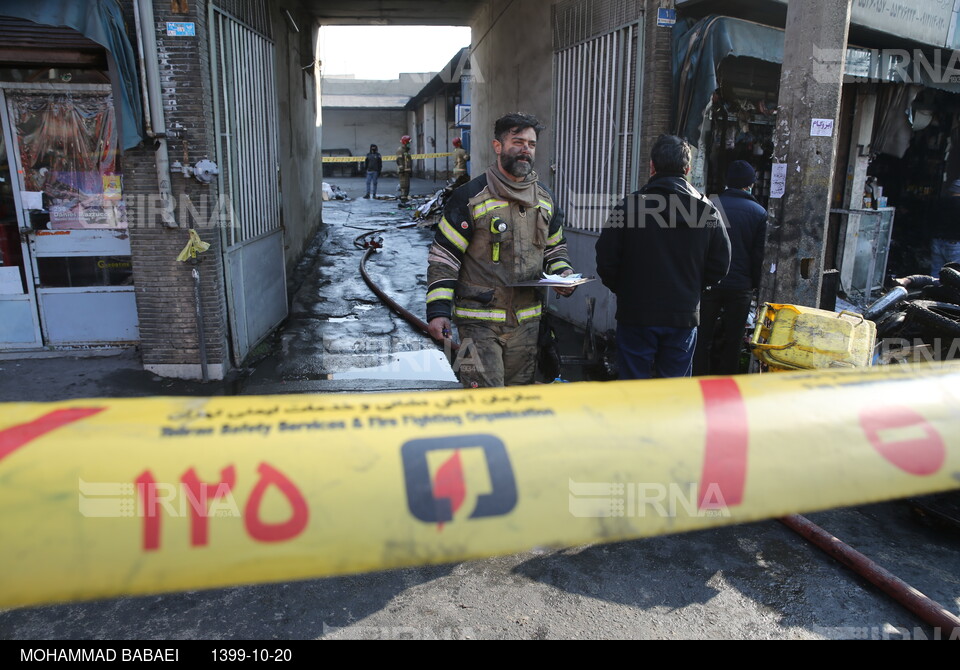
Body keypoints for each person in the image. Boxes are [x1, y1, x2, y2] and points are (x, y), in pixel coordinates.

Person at [426, 112, 575, 388]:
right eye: (517, 142)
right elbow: (444, 259)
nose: (525, 150)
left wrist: (563, 274)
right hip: (477, 324)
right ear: (498, 147)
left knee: (518, 404)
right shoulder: (469, 197)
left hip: (527, 324)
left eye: (531, 144)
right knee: (483, 401)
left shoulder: (545, 199)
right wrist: (438, 311)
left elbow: (555, 248)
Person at [595, 134, 731, 380]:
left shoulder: (628, 207)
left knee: (634, 391)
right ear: (687, 169)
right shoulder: (707, 210)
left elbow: (606, 260)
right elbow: (721, 264)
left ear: (652, 166)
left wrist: (625, 290)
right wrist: (692, 289)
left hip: (636, 313)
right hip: (683, 314)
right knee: (674, 392)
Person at [693, 160, 767, 376]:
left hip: (709, 284)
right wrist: (754, 284)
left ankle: (698, 381)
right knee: (733, 340)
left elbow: (699, 247)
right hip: (740, 287)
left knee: (702, 336)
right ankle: (728, 385)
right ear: (749, 184)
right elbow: (758, 256)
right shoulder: (759, 213)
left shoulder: (708, 206)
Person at [930, 179, 960, 275]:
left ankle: (934, 289)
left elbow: (930, 220)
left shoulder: (940, 201)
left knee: (936, 272)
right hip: (955, 243)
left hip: (937, 240)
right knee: (955, 274)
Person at [396, 135, 413, 203]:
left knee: (407, 185)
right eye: (408, 142)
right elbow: (399, 160)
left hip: (407, 171)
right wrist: (401, 168)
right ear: (405, 142)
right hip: (403, 171)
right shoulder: (400, 150)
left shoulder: (406, 151)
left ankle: (405, 197)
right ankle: (403, 198)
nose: (409, 144)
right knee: (403, 185)